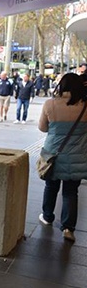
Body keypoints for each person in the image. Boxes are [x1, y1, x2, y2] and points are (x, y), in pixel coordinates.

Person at [38, 73, 87, 242]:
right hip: (78, 156)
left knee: (51, 187)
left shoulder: (50, 104)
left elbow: (43, 128)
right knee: (71, 192)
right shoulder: (85, 106)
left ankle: (47, 216)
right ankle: (68, 228)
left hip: (53, 155)